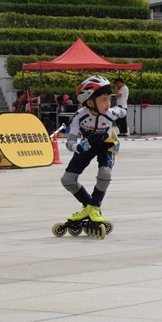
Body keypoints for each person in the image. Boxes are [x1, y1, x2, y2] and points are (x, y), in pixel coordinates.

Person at [61, 76, 127, 227]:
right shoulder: (79, 116)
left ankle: (95, 206)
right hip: (87, 145)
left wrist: (123, 97)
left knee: (105, 173)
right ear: (90, 103)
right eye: (104, 100)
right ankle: (89, 207)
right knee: (67, 180)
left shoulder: (111, 112)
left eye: (109, 99)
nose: (108, 104)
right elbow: (70, 142)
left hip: (107, 143)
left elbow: (123, 110)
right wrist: (76, 147)